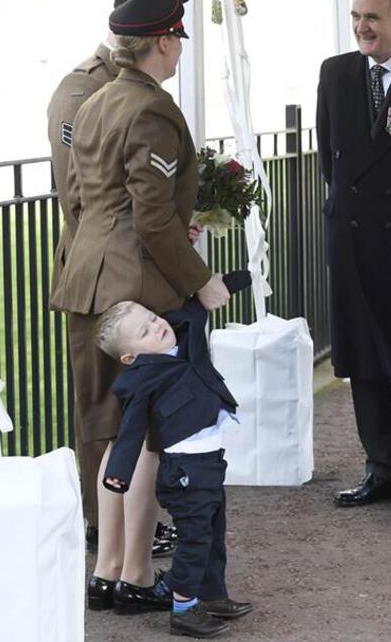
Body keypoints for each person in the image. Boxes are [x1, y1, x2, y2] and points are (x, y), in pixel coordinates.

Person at [50, 0, 230, 614]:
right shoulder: (151, 109)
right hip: (135, 286)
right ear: (162, 42)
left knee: (107, 430)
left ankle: (106, 573)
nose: (179, 49)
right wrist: (201, 280)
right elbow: (152, 221)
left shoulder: (95, 100)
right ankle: (133, 575)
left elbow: (79, 198)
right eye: (177, 39)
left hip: (88, 278)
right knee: (150, 436)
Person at [46, 0, 178, 559]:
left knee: (133, 410)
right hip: (103, 271)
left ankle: (131, 531)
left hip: (126, 266)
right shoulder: (84, 87)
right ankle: (105, 531)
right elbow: (78, 198)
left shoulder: (129, 86)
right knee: (104, 411)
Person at [316, 0, 391, 511]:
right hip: (352, 235)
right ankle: (379, 465)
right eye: (356, 17)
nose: (362, 27)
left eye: (373, 18)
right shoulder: (335, 72)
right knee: (362, 356)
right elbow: (329, 157)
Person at [97, 270, 254, 638]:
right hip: (183, 470)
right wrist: (118, 474)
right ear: (130, 356)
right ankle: (183, 608)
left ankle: (211, 594)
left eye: (153, 318)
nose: (158, 327)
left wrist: (239, 279)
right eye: (145, 331)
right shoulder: (140, 380)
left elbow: (198, 305)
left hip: (209, 462)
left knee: (213, 532)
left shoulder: (182, 333)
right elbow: (130, 432)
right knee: (194, 539)